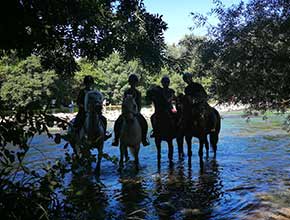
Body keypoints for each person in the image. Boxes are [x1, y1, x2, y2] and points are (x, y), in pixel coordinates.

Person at [112, 74, 149, 146]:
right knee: (118, 122)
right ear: (130, 83)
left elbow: (139, 104)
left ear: (136, 83)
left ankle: (144, 139)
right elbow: (124, 103)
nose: (133, 84)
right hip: (126, 112)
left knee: (144, 122)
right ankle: (116, 139)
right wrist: (124, 112)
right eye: (131, 82)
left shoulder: (138, 93)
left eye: (134, 82)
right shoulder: (126, 92)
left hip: (135, 112)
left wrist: (137, 112)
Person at [73, 75, 111, 140]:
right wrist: (84, 106)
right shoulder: (82, 92)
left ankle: (103, 134)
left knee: (103, 119)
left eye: (90, 83)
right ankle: (75, 134)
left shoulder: (94, 93)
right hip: (84, 111)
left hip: (94, 111)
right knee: (78, 120)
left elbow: (97, 101)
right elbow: (78, 102)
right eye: (88, 83)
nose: (89, 84)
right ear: (85, 83)